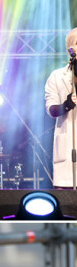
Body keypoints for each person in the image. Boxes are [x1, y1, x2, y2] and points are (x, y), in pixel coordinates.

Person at [45, 27, 77, 188]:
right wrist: (66, 105)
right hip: (67, 148)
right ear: (71, 48)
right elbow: (51, 109)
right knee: (67, 200)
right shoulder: (57, 76)